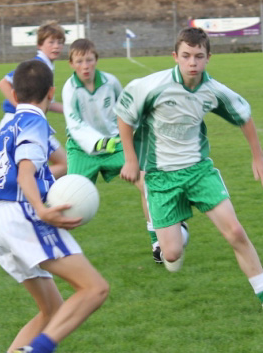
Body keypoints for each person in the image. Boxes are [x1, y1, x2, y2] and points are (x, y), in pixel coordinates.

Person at [114, 27, 263, 314]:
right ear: (175, 56)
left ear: (208, 58)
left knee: (235, 232)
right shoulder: (151, 86)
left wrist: (258, 157)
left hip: (199, 171)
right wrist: (130, 159)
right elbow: (124, 116)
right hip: (161, 177)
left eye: (199, 56)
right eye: (186, 56)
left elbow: (244, 116)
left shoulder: (212, 91)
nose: (192, 63)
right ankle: (179, 231)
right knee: (171, 255)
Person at [0, 60, 109, 353]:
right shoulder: (34, 122)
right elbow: (27, 172)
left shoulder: (6, 127)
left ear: (13, 94)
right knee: (94, 288)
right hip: (21, 216)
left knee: (52, 309)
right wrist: (42, 210)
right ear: (51, 93)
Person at [61, 38, 177, 262]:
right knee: (69, 203)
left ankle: (157, 243)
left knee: (147, 183)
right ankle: (55, 250)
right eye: (79, 61)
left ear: (96, 60)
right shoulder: (70, 89)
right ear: (71, 64)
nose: (85, 66)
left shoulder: (110, 82)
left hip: (116, 145)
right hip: (83, 150)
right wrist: (100, 144)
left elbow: (126, 109)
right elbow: (75, 125)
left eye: (89, 60)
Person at [0, 21, 67, 178]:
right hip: (22, 124)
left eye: (60, 42)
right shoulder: (38, 65)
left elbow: (49, 104)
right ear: (39, 45)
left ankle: (27, 190)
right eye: (51, 42)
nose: (56, 46)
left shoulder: (47, 66)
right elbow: (3, 83)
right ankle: (27, 189)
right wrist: (24, 111)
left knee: (5, 173)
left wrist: (73, 110)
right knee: (64, 164)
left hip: (19, 124)